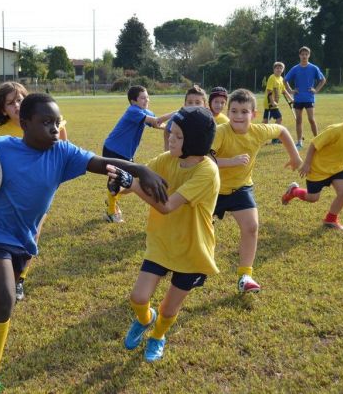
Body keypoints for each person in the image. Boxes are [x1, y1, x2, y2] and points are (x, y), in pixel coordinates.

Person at [0, 93, 168, 394]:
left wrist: (140, 169)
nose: (54, 129)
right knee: (4, 299)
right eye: (46, 122)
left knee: (0, 291)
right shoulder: (1, 148)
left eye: (57, 122)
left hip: (23, 237)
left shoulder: (63, 153)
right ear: (24, 124)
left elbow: (101, 162)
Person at [107, 106, 220, 363]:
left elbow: (167, 205)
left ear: (195, 142)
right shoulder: (166, 159)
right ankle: (147, 319)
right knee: (138, 298)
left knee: (170, 307)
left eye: (179, 137)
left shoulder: (207, 171)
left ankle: (158, 335)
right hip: (162, 242)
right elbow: (136, 180)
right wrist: (119, 184)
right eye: (171, 133)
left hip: (193, 249)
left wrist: (132, 185)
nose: (171, 138)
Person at [0, 82, 68, 301]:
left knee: (33, 235)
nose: (17, 105)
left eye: (20, 99)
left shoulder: (42, 120)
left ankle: (20, 280)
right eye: (11, 103)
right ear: (3, 110)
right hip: (12, 198)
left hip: (39, 193)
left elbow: (62, 137)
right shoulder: (1, 135)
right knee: (11, 245)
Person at [212, 89, 302, 293]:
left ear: (253, 114)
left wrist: (295, 157)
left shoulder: (259, 131)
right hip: (213, 189)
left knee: (251, 227)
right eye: (234, 111)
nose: (238, 116)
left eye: (244, 112)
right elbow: (204, 159)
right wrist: (231, 161)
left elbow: (282, 131)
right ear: (228, 111)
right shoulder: (221, 131)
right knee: (196, 229)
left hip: (240, 188)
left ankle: (245, 276)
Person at [281, 99, 343, 231]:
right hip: (318, 169)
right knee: (312, 198)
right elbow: (313, 144)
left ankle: (331, 219)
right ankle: (293, 191)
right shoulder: (336, 130)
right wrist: (306, 164)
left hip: (337, 169)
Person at [102, 85, 171, 223]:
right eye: (143, 98)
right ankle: (111, 212)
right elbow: (157, 121)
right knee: (117, 181)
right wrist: (179, 112)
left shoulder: (144, 112)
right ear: (134, 101)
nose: (147, 100)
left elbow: (157, 124)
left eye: (148, 97)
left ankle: (112, 200)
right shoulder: (133, 111)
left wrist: (172, 128)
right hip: (113, 150)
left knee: (131, 181)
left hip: (126, 153)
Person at [284, 46, 327, 149]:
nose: (304, 56)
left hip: (309, 98)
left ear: (309, 55)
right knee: (298, 120)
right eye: (302, 54)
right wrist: (291, 90)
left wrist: (316, 90)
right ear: (299, 55)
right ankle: (299, 142)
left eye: (306, 54)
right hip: (298, 98)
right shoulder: (295, 68)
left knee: (311, 119)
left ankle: (317, 140)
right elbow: (285, 80)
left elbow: (323, 80)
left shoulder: (314, 68)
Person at [163, 85, 208, 151]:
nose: (193, 105)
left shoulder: (208, 121)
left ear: (205, 105)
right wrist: (167, 150)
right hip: (179, 155)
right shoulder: (177, 118)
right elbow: (167, 130)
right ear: (185, 105)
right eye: (190, 102)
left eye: (198, 103)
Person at [263, 62, 294, 144]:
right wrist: (272, 101)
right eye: (277, 68)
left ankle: (258, 135)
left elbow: (284, 91)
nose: (279, 69)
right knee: (279, 118)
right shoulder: (272, 78)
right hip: (270, 103)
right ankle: (275, 138)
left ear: (283, 70)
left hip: (274, 103)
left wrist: (291, 99)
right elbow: (269, 90)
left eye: (280, 68)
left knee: (265, 121)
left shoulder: (281, 79)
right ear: (274, 69)